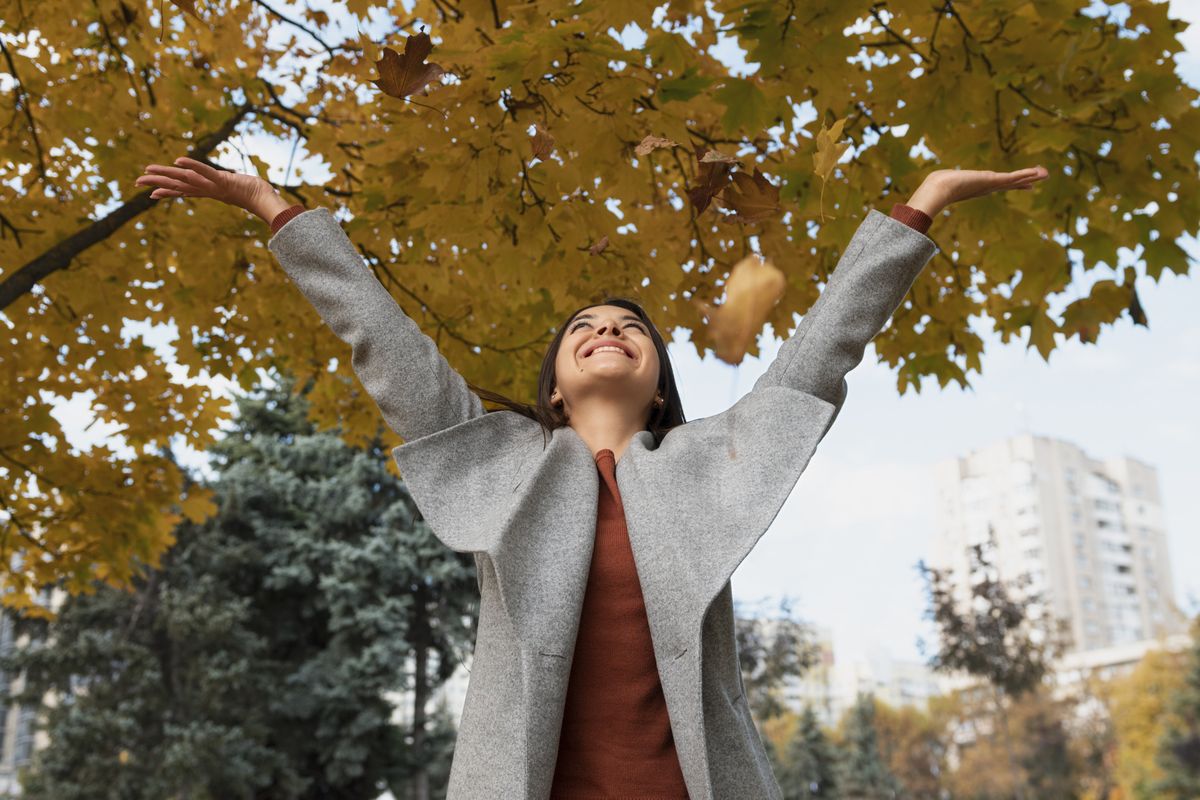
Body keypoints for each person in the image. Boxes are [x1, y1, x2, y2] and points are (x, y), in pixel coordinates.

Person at [135, 156, 1047, 799]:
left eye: (631, 326)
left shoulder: (705, 465)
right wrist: (277, 210)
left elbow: (818, 359)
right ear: (555, 388)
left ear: (657, 391)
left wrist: (918, 206)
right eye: (585, 325)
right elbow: (389, 348)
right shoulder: (503, 464)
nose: (608, 327)